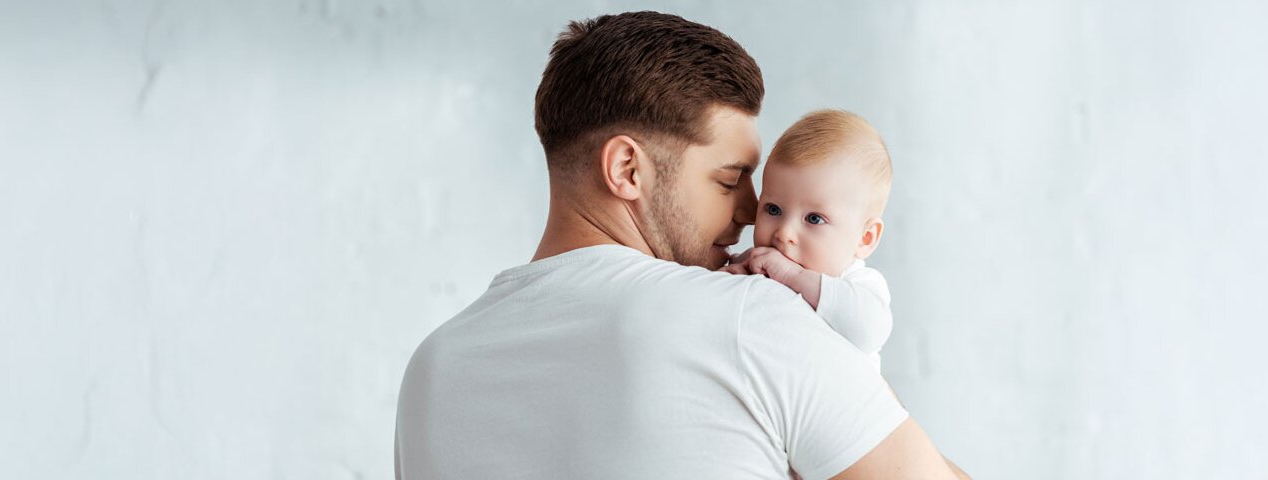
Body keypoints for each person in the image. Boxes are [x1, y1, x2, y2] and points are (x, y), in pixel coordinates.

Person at [394, 11, 967, 479]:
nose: (749, 212)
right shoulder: (754, 320)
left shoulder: (434, 368)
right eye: (727, 179)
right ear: (626, 169)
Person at [725, 109, 896, 370]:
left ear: (865, 239)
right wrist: (732, 277)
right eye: (773, 210)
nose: (784, 233)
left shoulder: (857, 285)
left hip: (837, 405)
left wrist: (792, 276)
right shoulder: (758, 263)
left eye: (814, 219)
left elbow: (869, 330)